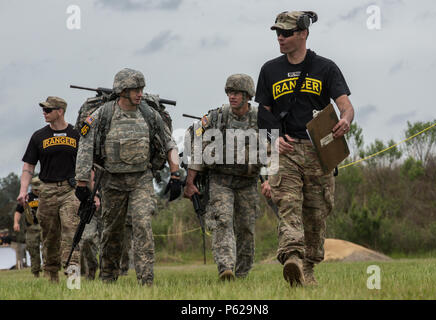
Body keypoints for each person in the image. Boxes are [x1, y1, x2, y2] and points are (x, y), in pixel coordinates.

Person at [256, 11, 355, 286]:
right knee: (288, 203)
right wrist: (274, 137)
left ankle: (307, 269)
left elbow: (345, 106)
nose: (280, 38)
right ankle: (292, 257)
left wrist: (345, 120)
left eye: (286, 33)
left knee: (316, 211)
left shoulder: (326, 67)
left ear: (303, 34)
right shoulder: (269, 70)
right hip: (284, 150)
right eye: (277, 33)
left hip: (319, 151)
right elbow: (262, 113)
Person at [75, 68, 181, 286]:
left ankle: (146, 280)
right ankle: (108, 278)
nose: (140, 93)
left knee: (143, 225)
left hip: (141, 178)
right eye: (135, 89)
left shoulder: (150, 114)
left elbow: (169, 142)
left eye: (141, 89)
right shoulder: (102, 114)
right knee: (112, 232)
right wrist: (82, 183)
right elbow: (84, 147)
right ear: (122, 91)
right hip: (112, 181)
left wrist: (175, 173)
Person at [184, 74, 263, 281]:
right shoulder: (216, 117)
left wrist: (271, 181)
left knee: (246, 228)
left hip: (247, 183)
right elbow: (198, 145)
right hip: (221, 181)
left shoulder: (260, 118)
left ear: (247, 96)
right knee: (222, 221)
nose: (232, 97)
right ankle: (225, 268)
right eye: (229, 92)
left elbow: (272, 151)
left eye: (236, 93)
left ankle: (243, 273)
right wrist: (190, 181)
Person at [17, 96, 81, 283]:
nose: (44, 113)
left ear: (60, 111)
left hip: (71, 190)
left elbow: (88, 166)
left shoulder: (76, 134)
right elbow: (28, 166)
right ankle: (52, 277)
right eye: (43, 110)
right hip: (47, 190)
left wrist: (94, 193)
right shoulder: (39, 136)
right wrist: (23, 191)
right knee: (50, 236)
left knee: (71, 233)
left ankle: (73, 280)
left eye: (48, 110)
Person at [13, 177, 43, 277]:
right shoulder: (27, 198)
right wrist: (16, 223)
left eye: (38, 189)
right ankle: (36, 272)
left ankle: (49, 271)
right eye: (35, 189)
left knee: (48, 249)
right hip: (31, 228)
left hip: (45, 226)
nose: (37, 191)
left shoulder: (46, 196)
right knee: (33, 250)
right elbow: (18, 211)